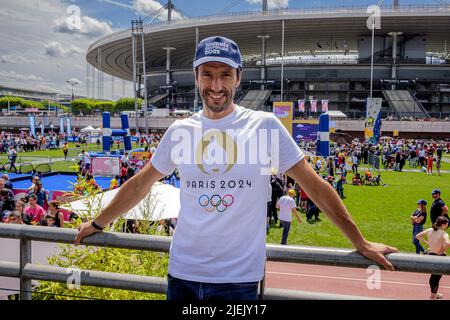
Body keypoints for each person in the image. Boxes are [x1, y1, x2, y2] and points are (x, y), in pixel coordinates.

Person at [75, 35, 398, 301]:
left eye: (225, 74)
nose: (216, 85)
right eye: (208, 74)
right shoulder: (181, 130)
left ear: (239, 77)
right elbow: (139, 184)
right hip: (182, 274)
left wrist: (360, 242)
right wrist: (99, 223)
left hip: (238, 280)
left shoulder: (264, 126)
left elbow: (314, 186)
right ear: (197, 76)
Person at [416, 216, 450, 299]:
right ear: (444, 225)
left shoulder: (430, 230)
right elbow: (448, 243)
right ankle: (433, 296)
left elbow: (418, 236)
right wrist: (442, 249)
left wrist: (427, 243)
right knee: (436, 277)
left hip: (430, 256)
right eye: (447, 224)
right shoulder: (443, 233)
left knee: (433, 276)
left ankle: (434, 294)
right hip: (440, 257)